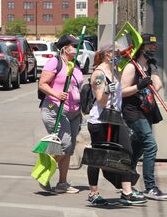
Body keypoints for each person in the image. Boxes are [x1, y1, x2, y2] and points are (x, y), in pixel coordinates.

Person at [86, 43, 147, 206]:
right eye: (116, 53)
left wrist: (139, 86)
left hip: (115, 118)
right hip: (100, 120)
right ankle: (94, 193)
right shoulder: (98, 73)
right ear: (107, 54)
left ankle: (126, 192)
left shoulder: (113, 71)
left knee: (126, 152)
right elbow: (100, 100)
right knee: (97, 157)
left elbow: (121, 93)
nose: (119, 55)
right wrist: (107, 89)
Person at [121, 33, 167, 200]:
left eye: (154, 46)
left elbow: (158, 86)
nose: (153, 48)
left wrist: (153, 70)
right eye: (150, 46)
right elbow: (121, 91)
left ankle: (126, 178)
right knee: (150, 145)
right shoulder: (131, 67)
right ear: (141, 47)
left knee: (138, 148)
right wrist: (138, 86)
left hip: (147, 111)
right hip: (133, 112)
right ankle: (150, 187)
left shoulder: (149, 66)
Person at [37, 35, 82, 194]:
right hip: (55, 109)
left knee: (69, 148)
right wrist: (56, 94)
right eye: (74, 45)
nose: (77, 48)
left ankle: (62, 183)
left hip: (74, 112)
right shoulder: (55, 62)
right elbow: (42, 84)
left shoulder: (75, 64)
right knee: (65, 144)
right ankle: (43, 172)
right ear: (65, 47)